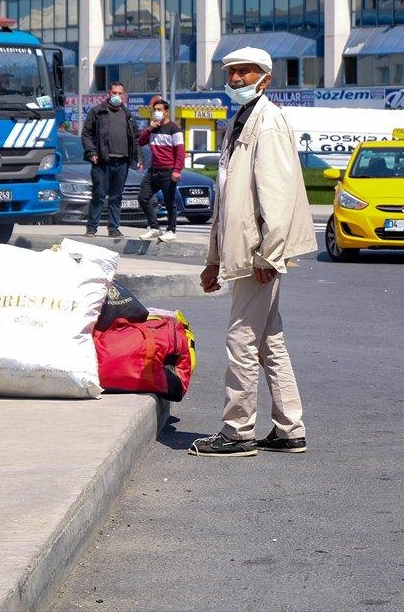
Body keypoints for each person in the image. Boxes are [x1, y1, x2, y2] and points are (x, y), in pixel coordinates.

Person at [191, 46, 317, 458]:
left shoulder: (269, 123)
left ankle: (237, 431)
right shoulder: (240, 122)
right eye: (232, 73)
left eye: (246, 72)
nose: (237, 79)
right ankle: (289, 428)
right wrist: (214, 259)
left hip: (258, 253)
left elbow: (276, 196)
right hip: (246, 249)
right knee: (268, 340)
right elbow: (229, 200)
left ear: (266, 78)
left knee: (241, 339)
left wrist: (270, 253)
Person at [80, 82, 139, 238]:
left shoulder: (128, 115)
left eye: (120, 93)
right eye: (114, 93)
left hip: (122, 162)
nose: (117, 96)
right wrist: (92, 152)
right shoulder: (97, 112)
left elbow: (135, 138)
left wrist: (138, 157)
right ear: (108, 93)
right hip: (102, 162)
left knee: (116, 196)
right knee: (99, 195)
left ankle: (114, 228)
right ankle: (92, 228)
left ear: (124, 96)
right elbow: (86, 134)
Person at [135, 96, 185, 242]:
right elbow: (141, 141)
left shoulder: (174, 129)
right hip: (153, 170)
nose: (156, 112)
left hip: (168, 171)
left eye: (159, 110)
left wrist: (177, 170)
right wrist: (150, 128)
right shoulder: (152, 128)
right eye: (154, 110)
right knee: (143, 197)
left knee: (169, 202)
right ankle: (155, 228)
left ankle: (171, 230)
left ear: (166, 112)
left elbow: (180, 152)